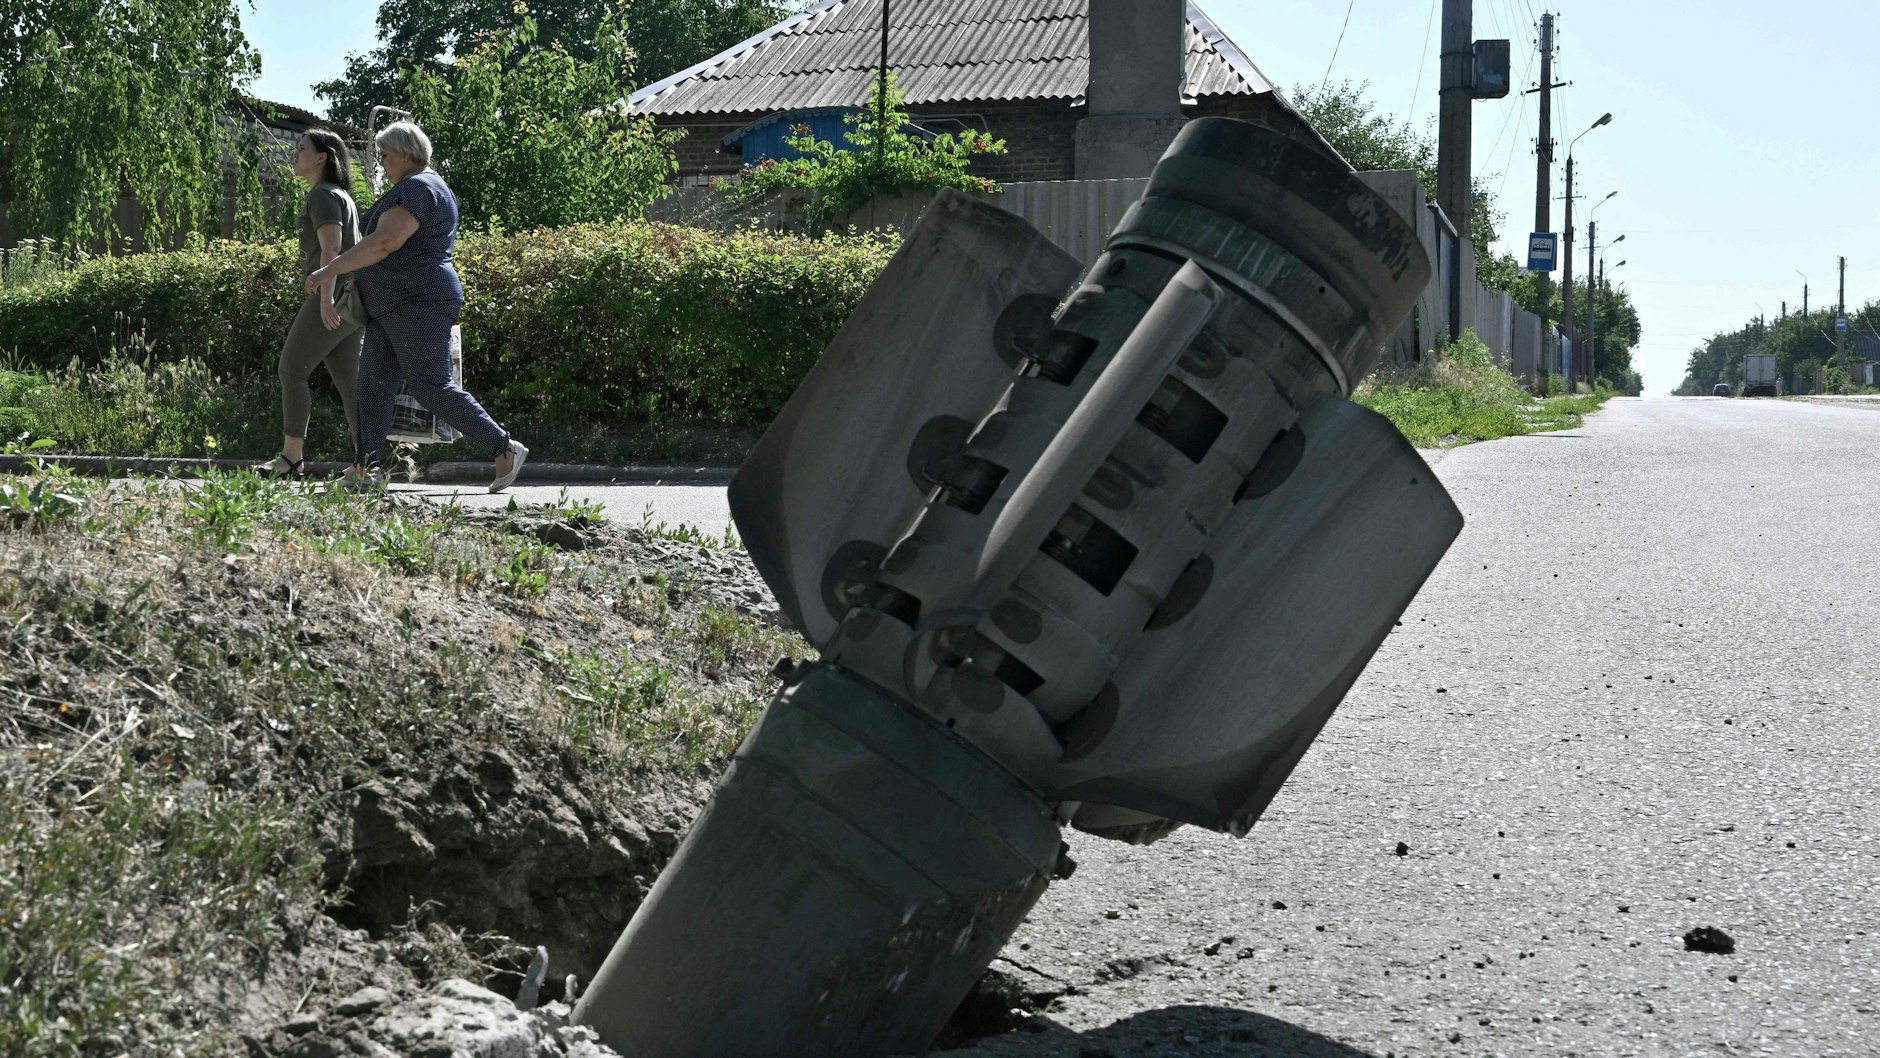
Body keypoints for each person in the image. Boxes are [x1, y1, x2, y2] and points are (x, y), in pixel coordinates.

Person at [304, 120, 527, 493]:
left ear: (406, 153)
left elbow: (384, 242)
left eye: (385, 155)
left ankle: (502, 447)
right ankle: (368, 468)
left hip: (417, 302)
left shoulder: (419, 188)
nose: (381, 162)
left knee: (429, 383)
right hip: (392, 307)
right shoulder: (418, 186)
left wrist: (330, 269)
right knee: (373, 385)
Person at [264, 128, 364, 478]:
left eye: (302, 148)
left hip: (334, 292)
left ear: (322, 157)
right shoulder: (340, 194)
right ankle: (369, 462)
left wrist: (325, 299)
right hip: (353, 296)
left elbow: (331, 248)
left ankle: (291, 460)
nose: (295, 153)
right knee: (350, 383)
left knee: (292, 370)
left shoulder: (322, 194)